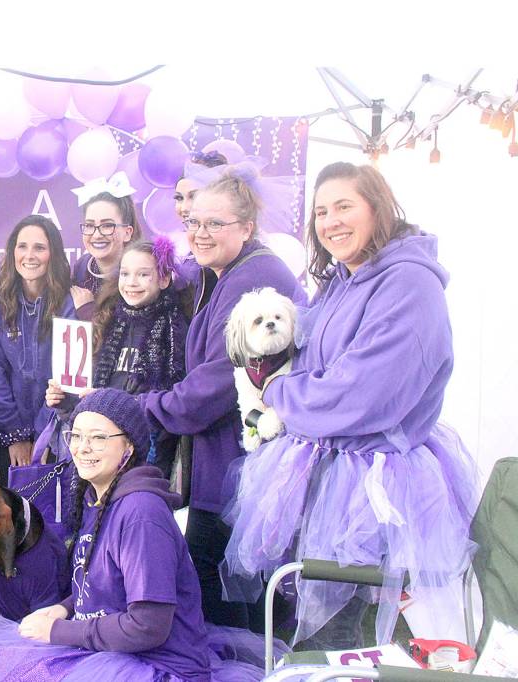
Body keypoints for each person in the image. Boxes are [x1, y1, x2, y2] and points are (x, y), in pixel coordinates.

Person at [223, 162, 480, 649]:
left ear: (377, 208)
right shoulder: (343, 278)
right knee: (307, 636)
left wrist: (276, 393)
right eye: (321, 211)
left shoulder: (408, 284)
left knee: (348, 641)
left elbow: (362, 394)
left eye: (344, 206)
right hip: (323, 478)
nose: (330, 221)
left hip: (374, 494)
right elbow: (297, 352)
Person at [0, 389, 278, 681]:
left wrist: (61, 631)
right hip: (115, 652)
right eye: (75, 436)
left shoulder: (141, 515)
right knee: (3, 662)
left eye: (99, 438)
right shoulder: (98, 500)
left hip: (157, 667)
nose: (82, 447)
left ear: (129, 447)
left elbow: (149, 625)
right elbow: (106, 588)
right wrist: (65, 608)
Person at [137, 167, 306, 631]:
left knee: (223, 585)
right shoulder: (229, 272)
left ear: (246, 228)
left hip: (241, 460)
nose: (200, 232)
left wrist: (150, 406)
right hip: (230, 458)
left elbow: (217, 381)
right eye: (193, 221)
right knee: (238, 584)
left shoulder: (256, 277)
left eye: (215, 223)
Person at [47, 239, 190, 480]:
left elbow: (172, 405)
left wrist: (109, 402)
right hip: (98, 454)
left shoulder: (175, 331)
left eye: (143, 274)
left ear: (164, 280)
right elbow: (84, 399)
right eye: (125, 274)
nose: (131, 282)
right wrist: (62, 401)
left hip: (147, 458)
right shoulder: (107, 323)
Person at [0, 215, 78, 480]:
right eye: (22, 246)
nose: (29, 255)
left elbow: (64, 379)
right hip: (7, 424)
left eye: (39, 248)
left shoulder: (69, 301)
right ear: (11, 252)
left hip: (58, 422)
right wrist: (16, 436)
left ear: (52, 253)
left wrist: (43, 435)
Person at [69, 174, 142, 314]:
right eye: (89, 225)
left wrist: (86, 310)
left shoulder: (141, 274)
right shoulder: (81, 268)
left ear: (127, 232)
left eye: (107, 225)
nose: (96, 235)